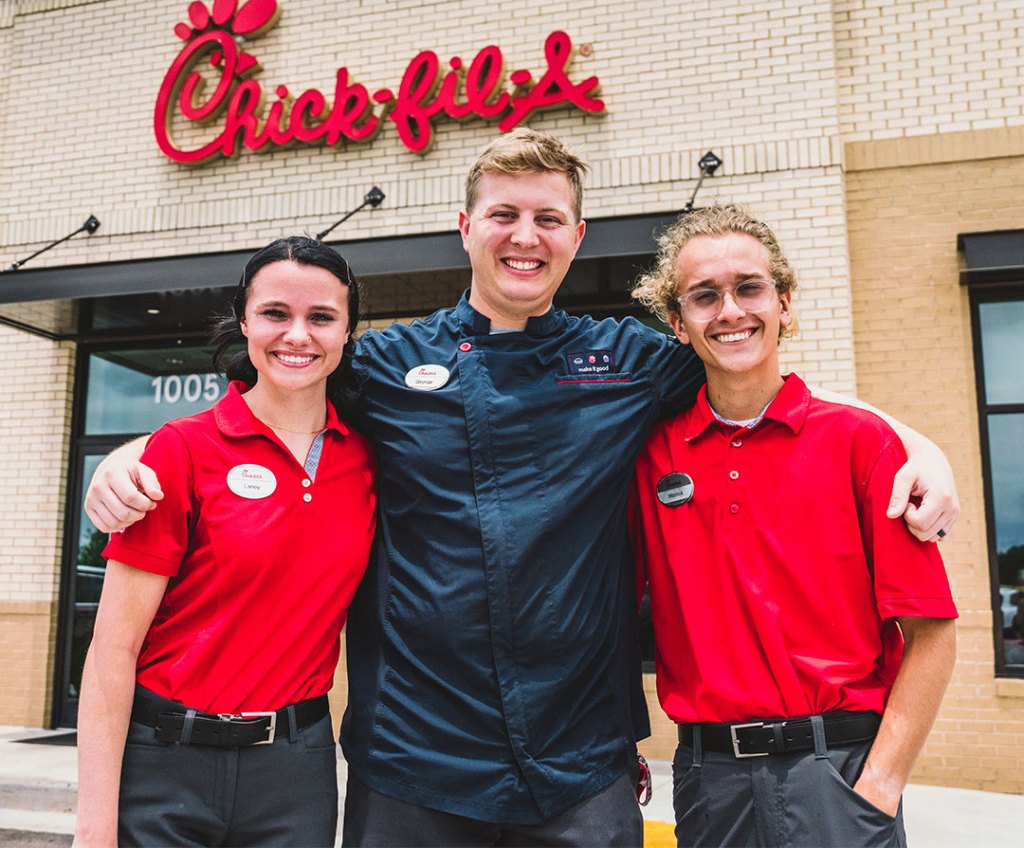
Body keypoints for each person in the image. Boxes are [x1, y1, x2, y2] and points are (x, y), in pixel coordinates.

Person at [84, 130, 959, 848]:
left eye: (549, 217)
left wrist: (918, 444)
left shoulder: (629, 362)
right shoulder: (383, 364)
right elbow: (275, 392)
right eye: (503, 213)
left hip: (578, 764)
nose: (524, 235)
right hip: (412, 760)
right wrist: (135, 452)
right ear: (464, 227)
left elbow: (753, 377)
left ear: (577, 237)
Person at [629, 205, 958, 847]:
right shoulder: (651, 457)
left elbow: (931, 632)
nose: (730, 311)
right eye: (704, 296)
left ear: (783, 301)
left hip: (837, 772)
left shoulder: (860, 442)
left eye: (748, 287)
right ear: (677, 321)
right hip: (709, 781)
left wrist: (880, 785)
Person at [73, 237, 377, 848]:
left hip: (296, 771)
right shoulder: (181, 450)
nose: (298, 335)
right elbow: (112, 653)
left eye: (321, 317)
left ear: (347, 332)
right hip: (164, 764)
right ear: (244, 320)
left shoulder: (372, 459)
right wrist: (94, 828)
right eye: (275, 314)